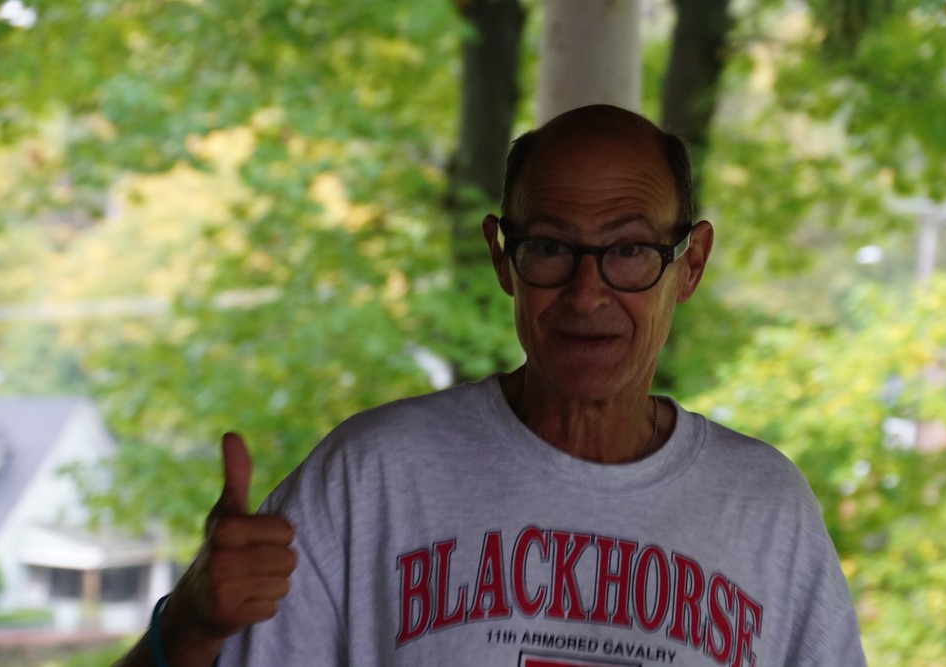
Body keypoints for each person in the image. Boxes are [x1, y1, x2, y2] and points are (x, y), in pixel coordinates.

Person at [116, 104, 866, 667]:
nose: (587, 294)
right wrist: (191, 624)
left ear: (691, 263)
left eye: (630, 250)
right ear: (503, 258)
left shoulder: (766, 510)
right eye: (550, 247)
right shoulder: (374, 477)